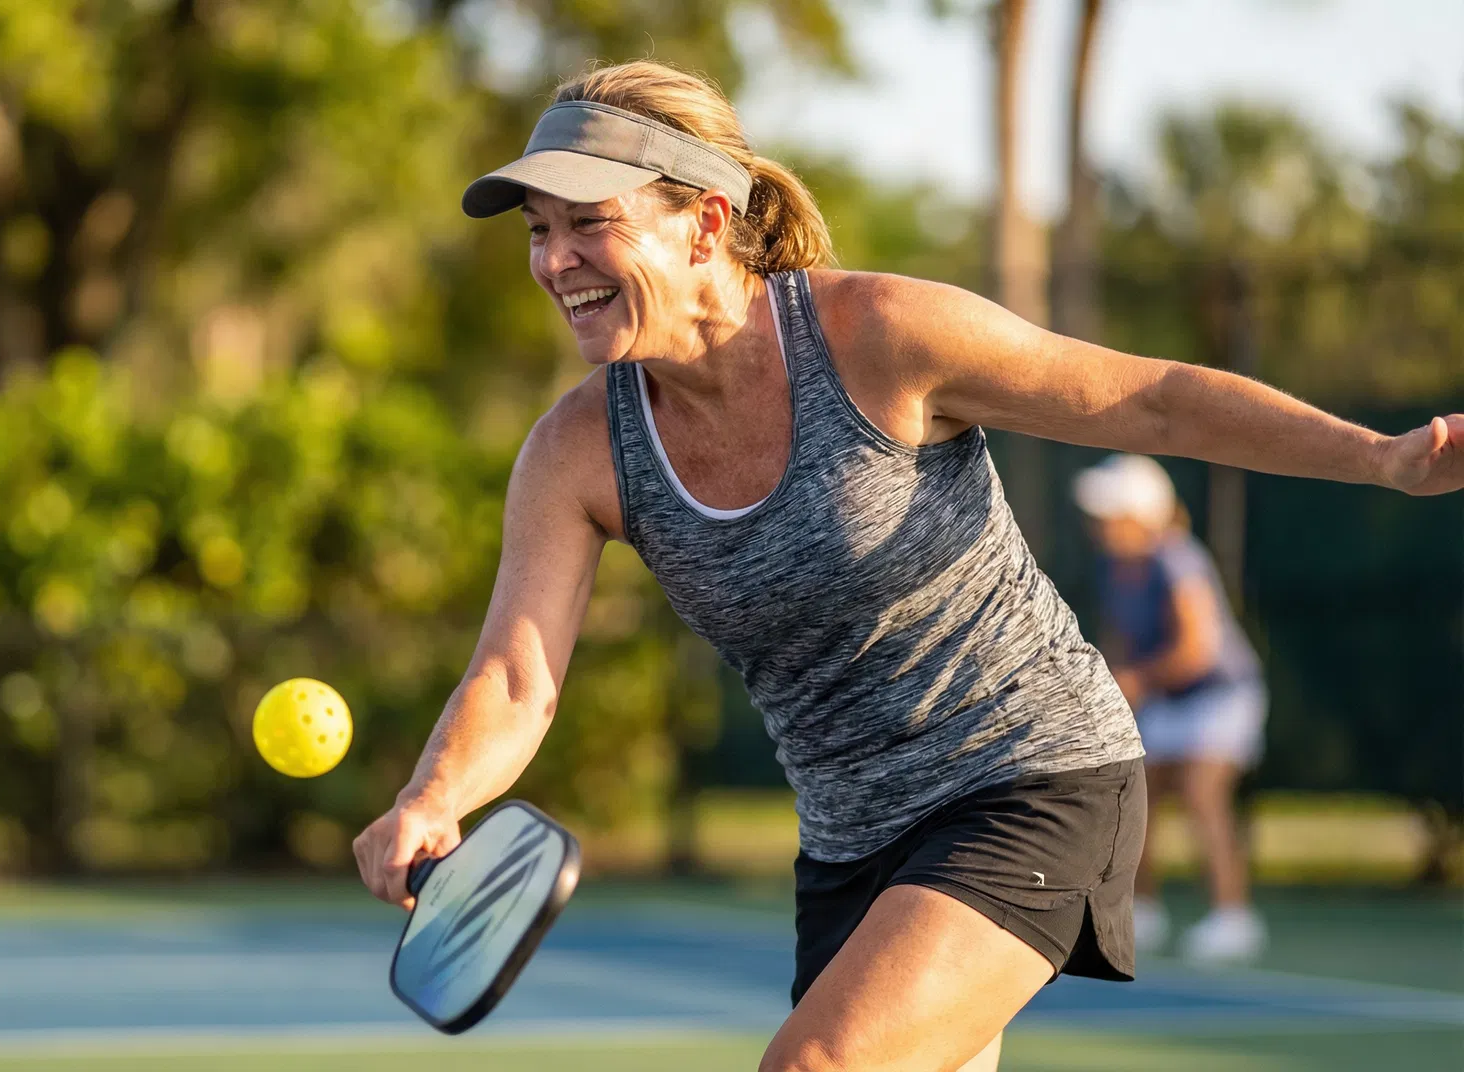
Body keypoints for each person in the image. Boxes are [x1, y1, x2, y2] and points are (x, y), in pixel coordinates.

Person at [348, 60, 1463, 1072]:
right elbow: (516, 677)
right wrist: (434, 793)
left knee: (816, 1066)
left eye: (588, 224)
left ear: (702, 223)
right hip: (852, 845)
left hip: (1036, 777)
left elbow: (1154, 399)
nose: (554, 262)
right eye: (538, 231)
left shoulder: (880, 333)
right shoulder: (576, 449)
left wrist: (1383, 458)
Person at [1075, 454, 1269, 964]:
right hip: (1166, 700)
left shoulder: (1177, 559)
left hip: (1221, 694)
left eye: (1108, 512)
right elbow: (1121, 640)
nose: (1097, 523)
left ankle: (1234, 919)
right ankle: (1145, 911)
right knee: (1134, 798)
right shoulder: (1115, 568)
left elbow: (1197, 648)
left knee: (1202, 792)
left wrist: (1136, 679)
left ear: (1141, 514)